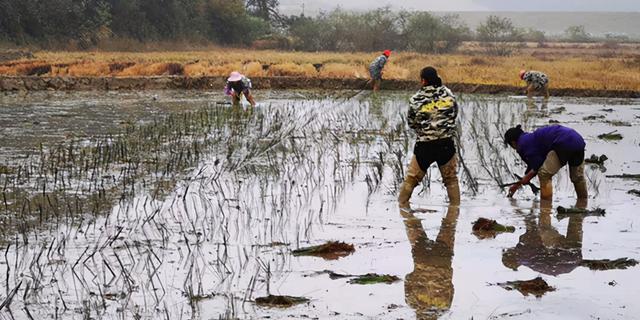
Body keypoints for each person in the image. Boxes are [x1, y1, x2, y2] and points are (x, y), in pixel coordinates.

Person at [398, 66, 460, 210]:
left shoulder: (416, 99)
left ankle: (401, 207)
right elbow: (454, 114)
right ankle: (454, 213)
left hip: (425, 145)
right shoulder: (449, 95)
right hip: (446, 143)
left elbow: (412, 123)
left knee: (411, 179)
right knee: (451, 180)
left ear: (423, 80)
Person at [504, 124, 587, 200]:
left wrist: (526, 178)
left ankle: (546, 207)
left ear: (513, 143)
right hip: (577, 140)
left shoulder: (522, 144)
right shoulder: (530, 138)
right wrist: (518, 184)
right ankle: (583, 203)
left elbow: (537, 164)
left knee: (544, 174)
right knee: (577, 177)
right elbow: (532, 166)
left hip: (563, 143)